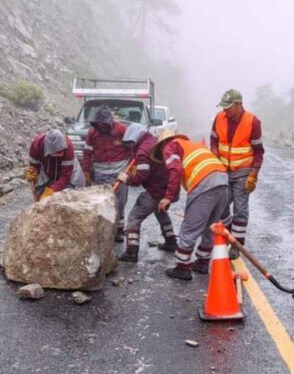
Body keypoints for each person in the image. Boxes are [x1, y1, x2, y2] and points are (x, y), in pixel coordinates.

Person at [149, 134, 231, 280]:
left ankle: (182, 267)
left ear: (162, 144)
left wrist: (167, 197)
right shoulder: (193, 145)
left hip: (204, 183)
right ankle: (202, 262)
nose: (163, 158)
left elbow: (176, 170)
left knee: (190, 226)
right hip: (223, 181)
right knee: (210, 226)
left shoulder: (170, 146)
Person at [210, 89, 265, 256]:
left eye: (228, 107)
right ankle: (228, 235)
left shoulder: (252, 122)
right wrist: (214, 155)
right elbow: (213, 139)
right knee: (221, 205)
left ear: (239, 104)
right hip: (223, 170)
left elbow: (258, 151)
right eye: (223, 107)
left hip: (242, 171)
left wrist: (253, 174)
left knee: (240, 209)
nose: (225, 110)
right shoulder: (219, 118)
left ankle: (237, 245)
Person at [116, 124, 180, 262]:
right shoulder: (153, 140)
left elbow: (141, 177)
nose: (129, 146)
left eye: (130, 143)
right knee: (160, 212)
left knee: (134, 216)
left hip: (156, 190)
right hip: (169, 189)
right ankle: (171, 241)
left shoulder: (142, 151)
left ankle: (131, 251)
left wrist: (127, 179)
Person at [81, 105, 132, 241]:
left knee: (119, 202)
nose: (102, 127)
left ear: (109, 121)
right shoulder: (92, 133)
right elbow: (87, 153)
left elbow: (131, 150)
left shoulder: (122, 129)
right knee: (102, 202)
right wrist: (86, 171)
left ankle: (119, 230)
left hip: (119, 173)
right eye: (99, 124)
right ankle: (104, 229)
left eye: (104, 124)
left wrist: (131, 168)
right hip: (100, 173)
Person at [25, 129, 83, 200]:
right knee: (42, 196)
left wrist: (52, 190)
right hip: (47, 168)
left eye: (59, 154)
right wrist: (33, 174)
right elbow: (34, 166)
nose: (56, 156)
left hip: (68, 172)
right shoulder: (36, 145)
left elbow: (66, 175)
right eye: (54, 154)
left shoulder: (68, 147)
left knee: (68, 197)